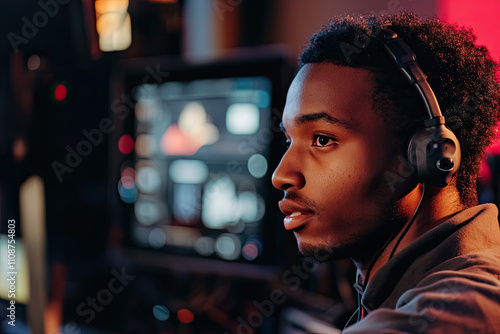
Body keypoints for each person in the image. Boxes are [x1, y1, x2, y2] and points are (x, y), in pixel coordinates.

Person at [271, 12, 500, 333]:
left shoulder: (458, 309)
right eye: (288, 140)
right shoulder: (395, 290)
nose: (281, 175)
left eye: (322, 139)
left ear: (427, 155)